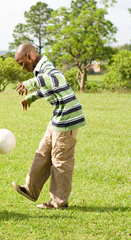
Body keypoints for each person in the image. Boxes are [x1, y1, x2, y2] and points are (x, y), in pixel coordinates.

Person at [12, 43, 86, 209]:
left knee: (60, 159)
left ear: (30, 56)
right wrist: (30, 97)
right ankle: (31, 189)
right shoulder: (40, 70)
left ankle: (59, 202)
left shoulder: (46, 67)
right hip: (58, 118)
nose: (23, 68)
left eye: (22, 63)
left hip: (67, 118)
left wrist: (30, 83)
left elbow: (56, 79)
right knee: (42, 152)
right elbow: (48, 87)